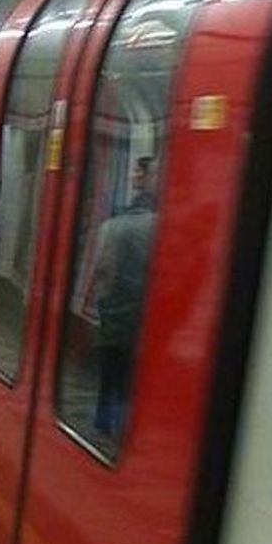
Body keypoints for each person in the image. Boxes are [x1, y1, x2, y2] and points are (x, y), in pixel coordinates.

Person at [91, 156, 158, 437]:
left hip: (115, 319)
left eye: (137, 173)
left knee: (110, 377)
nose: (133, 177)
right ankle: (124, 429)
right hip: (141, 322)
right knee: (131, 380)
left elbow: (102, 273)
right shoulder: (160, 227)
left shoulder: (113, 227)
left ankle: (105, 426)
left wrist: (105, 307)